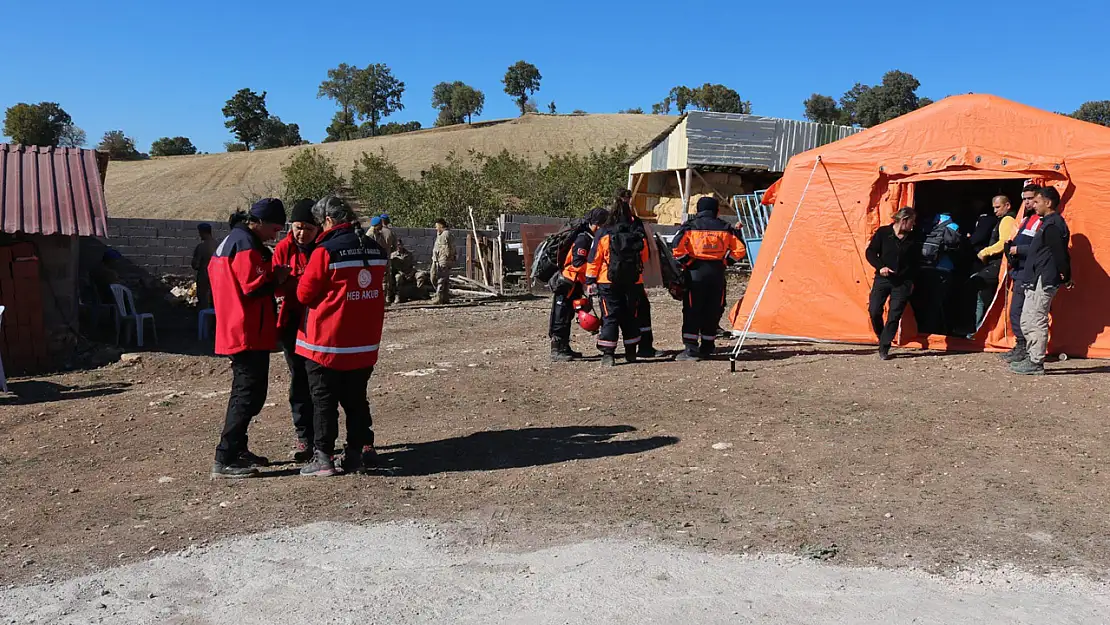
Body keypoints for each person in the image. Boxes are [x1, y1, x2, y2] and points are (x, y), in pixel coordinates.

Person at [295, 196, 388, 476]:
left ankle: (323, 457)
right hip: (363, 342)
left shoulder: (325, 251)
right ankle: (355, 454)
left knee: (323, 401)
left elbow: (304, 294)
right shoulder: (375, 249)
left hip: (326, 343)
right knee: (356, 400)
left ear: (327, 221)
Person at [208, 198, 290, 479]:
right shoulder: (246, 244)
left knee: (250, 394)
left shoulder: (233, 240)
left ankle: (238, 449)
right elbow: (252, 288)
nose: (275, 235)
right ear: (261, 222)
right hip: (246, 330)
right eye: (275, 228)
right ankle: (225, 457)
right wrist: (277, 277)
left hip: (239, 327)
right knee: (246, 395)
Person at [272, 199, 320, 462]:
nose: (302, 234)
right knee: (299, 380)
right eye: (298, 227)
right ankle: (304, 437)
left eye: (308, 229)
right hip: (291, 325)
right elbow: (277, 286)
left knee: (321, 382)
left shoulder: (323, 249)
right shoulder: (283, 249)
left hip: (318, 324)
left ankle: (324, 437)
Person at [671, 197, 746, 361]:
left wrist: (689, 262)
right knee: (713, 309)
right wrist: (726, 261)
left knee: (692, 308)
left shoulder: (690, 227)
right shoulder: (725, 227)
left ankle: (690, 348)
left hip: (696, 272)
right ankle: (708, 345)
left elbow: (676, 248)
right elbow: (740, 249)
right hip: (717, 272)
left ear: (698, 210)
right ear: (716, 210)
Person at [1011, 187, 1071, 375]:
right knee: (1027, 319)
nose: (1033, 206)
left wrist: (1066, 276)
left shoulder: (1054, 225)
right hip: (1034, 278)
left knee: (1036, 319)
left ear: (1048, 203)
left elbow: (1060, 254)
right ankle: (1031, 356)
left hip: (1043, 279)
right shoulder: (1046, 224)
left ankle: (1036, 361)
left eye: (1037, 202)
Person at [586, 204, 650, 366]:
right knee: (631, 315)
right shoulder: (637, 234)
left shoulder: (603, 234)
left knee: (610, 316)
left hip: (608, 282)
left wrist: (590, 280)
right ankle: (631, 352)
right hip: (633, 282)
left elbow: (594, 259)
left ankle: (608, 355)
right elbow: (645, 257)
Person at [550, 208, 609, 362]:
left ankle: (565, 347)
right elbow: (577, 263)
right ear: (597, 224)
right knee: (560, 314)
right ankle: (556, 349)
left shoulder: (590, 238)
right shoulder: (584, 239)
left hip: (575, 282)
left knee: (568, 314)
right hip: (568, 281)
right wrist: (593, 271)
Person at [865, 207, 918, 360]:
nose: (913, 225)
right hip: (883, 279)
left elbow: (916, 262)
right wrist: (880, 267)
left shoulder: (913, 238)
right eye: (911, 222)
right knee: (874, 310)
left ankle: (884, 347)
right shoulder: (883, 233)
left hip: (903, 282)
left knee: (894, 314)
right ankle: (882, 335)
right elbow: (870, 252)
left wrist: (912, 281)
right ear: (904, 220)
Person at [612, 189, 658, 357]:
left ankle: (609, 352)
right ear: (628, 200)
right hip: (633, 277)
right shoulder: (635, 223)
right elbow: (643, 251)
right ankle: (643, 347)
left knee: (614, 314)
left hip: (610, 278)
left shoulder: (607, 224)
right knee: (641, 310)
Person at [1000, 185, 1042, 363]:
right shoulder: (1026, 219)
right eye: (1024, 198)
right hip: (1019, 271)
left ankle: (1025, 349)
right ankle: (1020, 345)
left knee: (1024, 313)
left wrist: (1020, 250)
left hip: (1030, 273)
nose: (1027, 202)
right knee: (1016, 312)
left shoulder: (1043, 221)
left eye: (1030, 198)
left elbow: (1041, 247)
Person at [967, 195, 1019, 333]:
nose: (995, 211)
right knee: (982, 293)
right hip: (995, 264)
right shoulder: (1002, 220)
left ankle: (983, 328)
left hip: (999, 264)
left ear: (1007, 206)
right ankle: (980, 328)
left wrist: (985, 252)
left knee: (978, 286)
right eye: (994, 208)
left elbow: (1004, 242)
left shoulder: (1007, 219)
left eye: (998, 207)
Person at [914, 210, 962, 334]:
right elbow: (955, 247)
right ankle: (934, 330)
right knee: (937, 302)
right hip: (943, 269)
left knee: (922, 299)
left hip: (924, 267)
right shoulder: (953, 225)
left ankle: (919, 328)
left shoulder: (928, 222)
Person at [191, 224, 217, 309]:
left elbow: (195, 265)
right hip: (217, 280)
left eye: (200, 232)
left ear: (203, 232)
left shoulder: (201, 247)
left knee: (204, 305)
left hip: (204, 280)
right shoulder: (219, 245)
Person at [431, 218, 456, 304]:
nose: (436, 228)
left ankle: (439, 297)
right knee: (440, 278)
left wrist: (446, 259)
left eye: (437, 226)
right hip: (438, 259)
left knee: (441, 279)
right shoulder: (441, 234)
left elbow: (448, 248)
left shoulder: (446, 234)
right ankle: (445, 298)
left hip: (443, 260)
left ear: (441, 225)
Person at [379, 214, 399, 303]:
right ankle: (386, 297)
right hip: (386, 258)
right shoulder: (391, 233)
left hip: (376, 258)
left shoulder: (377, 231)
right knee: (386, 278)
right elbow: (395, 247)